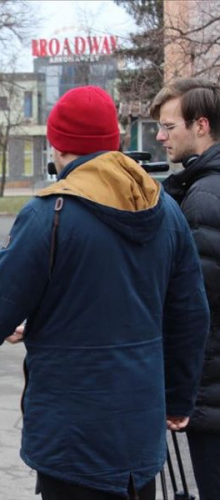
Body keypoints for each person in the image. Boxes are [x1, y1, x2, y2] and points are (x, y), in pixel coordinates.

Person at [0, 86, 210, 500]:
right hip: (140, 432)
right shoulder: (163, 207)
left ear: (59, 145)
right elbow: (190, 314)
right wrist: (177, 401)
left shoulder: (50, 214)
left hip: (72, 438)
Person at [150, 78, 220, 500]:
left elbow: (192, 307)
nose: (160, 136)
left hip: (211, 394)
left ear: (201, 126)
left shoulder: (204, 197)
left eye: (168, 126)